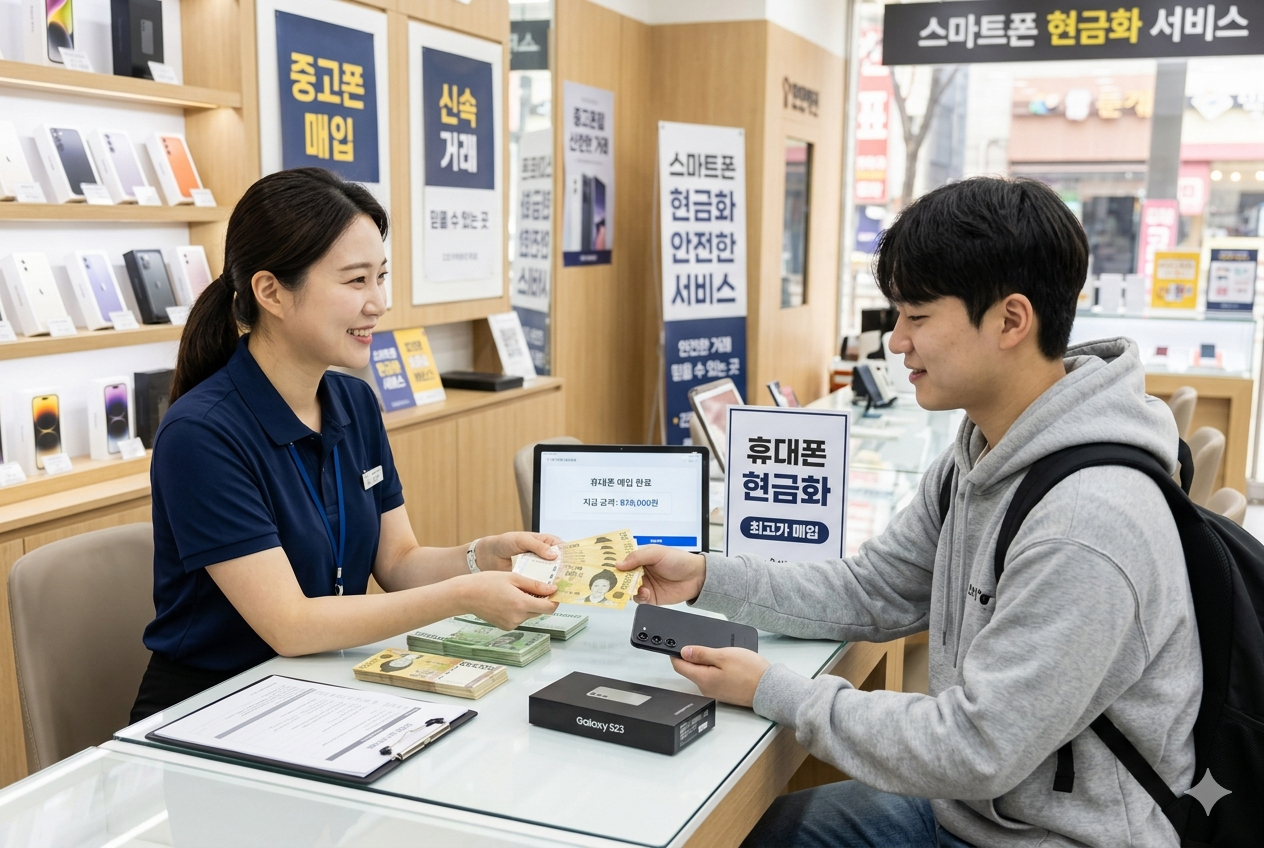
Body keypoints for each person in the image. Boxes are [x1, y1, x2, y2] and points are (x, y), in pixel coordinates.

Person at [619, 177, 1201, 848]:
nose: (896, 341)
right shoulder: (981, 453)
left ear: (1011, 321)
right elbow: (873, 588)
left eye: (917, 317)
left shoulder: (1087, 523)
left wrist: (774, 690)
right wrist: (704, 577)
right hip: (974, 810)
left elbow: (977, 748)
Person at [132, 168, 559, 722]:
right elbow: (290, 624)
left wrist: (480, 558)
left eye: (379, 278)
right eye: (356, 281)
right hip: (214, 712)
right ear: (271, 292)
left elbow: (399, 561)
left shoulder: (353, 403)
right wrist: (464, 596)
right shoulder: (201, 434)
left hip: (321, 692)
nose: (377, 303)